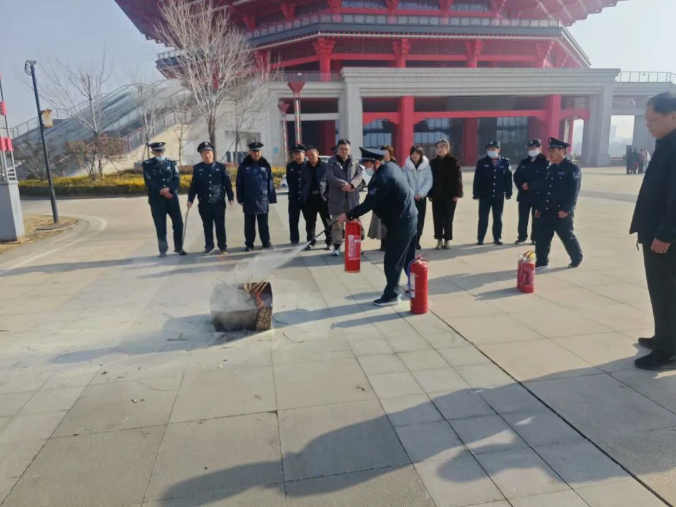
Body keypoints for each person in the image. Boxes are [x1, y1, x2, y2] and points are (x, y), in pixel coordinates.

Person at [337, 148, 417, 306]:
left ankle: (392, 295)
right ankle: (415, 288)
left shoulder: (382, 178)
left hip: (401, 223)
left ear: (377, 163)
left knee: (392, 260)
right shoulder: (391, 166)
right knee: (408, 258)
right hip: (409, 217)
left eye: (367, 163)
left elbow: (369, 202)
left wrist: (349, 215)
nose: (366, 167)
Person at [630, 91, 676, 370]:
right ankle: (664, 337)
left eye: (653, 119)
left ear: (674, 117)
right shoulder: (665, 144)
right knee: (660, 291)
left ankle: (667, 350)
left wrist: (665, 234)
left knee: (666, 293)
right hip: (655, 233)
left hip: (665, 238)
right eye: (646, 120)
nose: (648, 125)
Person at [533, 138, 583, 269]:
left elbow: (574, 192)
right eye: (549, 150)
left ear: (562, 150)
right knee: (542, 237)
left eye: (552, 150)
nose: (550, 153)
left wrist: (567, 209)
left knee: (567, 236)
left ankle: (577, 257)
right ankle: (542, 261)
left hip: (561, 211)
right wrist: (539, 207)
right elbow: (544, 190)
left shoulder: (572, 169)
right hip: (546, 210)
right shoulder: (551, 168)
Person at [187, 142, 235, 255]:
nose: (207, 155)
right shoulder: (197, 168)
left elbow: (227, 184)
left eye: (208, 153)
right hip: (204, 203)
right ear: (201, 155)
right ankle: (209, 247)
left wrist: (230, 197)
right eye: (204, 153)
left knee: (220, 226)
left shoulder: (220, 167)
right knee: (207, 226)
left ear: (212, 154)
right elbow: (194, 186)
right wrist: (190, 200)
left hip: (218, 202)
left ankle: (222, 247)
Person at [142, 141, 186, 257]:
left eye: (162, 151)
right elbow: (148, 181)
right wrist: (161, 191)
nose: (160, 153)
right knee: (160, 226)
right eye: (158, 151)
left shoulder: (171, 163)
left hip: (172, 199)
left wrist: (168, 189)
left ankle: (179, 247)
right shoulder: (147, 164)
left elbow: (176, 179)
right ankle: (163, 250)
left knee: (178, 224)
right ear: (153, 152)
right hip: (157, 200)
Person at [236, 141, 277, 252]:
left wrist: (272, 197)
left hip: (262, 198)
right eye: (254, 151)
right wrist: (240, 198)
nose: (256, 153)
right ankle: (249, 244)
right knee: (249, 224)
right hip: (248, 198)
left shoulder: (265, 165)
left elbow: (270, 182)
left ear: (261, 152)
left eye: (258, 151)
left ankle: (266, 243)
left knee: (264, 224)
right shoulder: (244, 166)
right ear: (250, 152)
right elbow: (239, 183)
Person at [326, 139, 364, 256]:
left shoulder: (355, 161)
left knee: (354, 222)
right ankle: (337, 246)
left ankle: (356, 246)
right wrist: (344, 184)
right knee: (337, 223)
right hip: (337, 198)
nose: (343, 151)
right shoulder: (331, 162)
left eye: (346, 149)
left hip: (352, 198)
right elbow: (330, 177)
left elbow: (359, 175)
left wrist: (351, 185)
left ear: (349, 149)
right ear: (337, 149)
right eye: (341, 149)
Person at [473, 140, 512, 246]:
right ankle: (480, 238)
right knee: (483, 218)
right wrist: (476, 193)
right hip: (485, 195)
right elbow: (477, 179)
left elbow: (508, 178)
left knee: (498, 218)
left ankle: (497, 238)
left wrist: (509, 192)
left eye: (493, 149)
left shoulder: (505, 162)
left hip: (499, 195)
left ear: (498, 149)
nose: (491, 150)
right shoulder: (482, 162)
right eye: (489, 149)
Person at [430, 139, 463, 250]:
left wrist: (457, 193)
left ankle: (447, 240)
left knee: (448, 218)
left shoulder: (453, 161)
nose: (439, 149)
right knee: (437, 218)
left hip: (450, 196)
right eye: (438, 147)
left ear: (447, 149)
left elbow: (458, 179)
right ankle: (439, 240)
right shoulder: (433, 162)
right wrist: (430, 193)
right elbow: (429, 179)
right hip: (437, 195)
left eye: (442, 147)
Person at [513, 139, 549, 245]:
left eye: (533, 148)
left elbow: (544, 178)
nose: (531, 150)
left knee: (537, 218)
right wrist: (521, 185)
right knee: (522, 218)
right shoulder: (524, 161)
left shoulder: (545, 161)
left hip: (538, 196)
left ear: (540, 148)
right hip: (524, 195)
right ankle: (522, 237)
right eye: (529, 148)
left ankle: (535, 238)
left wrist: (530, 185)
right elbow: (516, 176)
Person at [300, 146, 332, 251]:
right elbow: (303, 183)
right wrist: (303, 196)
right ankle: (311, 241)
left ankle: (329, 241)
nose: (310, 157)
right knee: (310, 222)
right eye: (308, 155)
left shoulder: (325, 166)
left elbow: (329, 182)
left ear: (317, 154)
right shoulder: (305, 167)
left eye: (312, 155)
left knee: (327, 221)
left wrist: (328, 196)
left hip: (322, 198)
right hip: (310, 199)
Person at [403, 145, 433, 250]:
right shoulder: (406, 167)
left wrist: (420, 193)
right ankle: (410, 241)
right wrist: (412, 194)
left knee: (420, 220)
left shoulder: (426, 167)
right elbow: (404, 182)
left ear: (421, 155)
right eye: (413, 153)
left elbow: (429, 181)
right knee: (409, 220)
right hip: (410, 199)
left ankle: (417, 241)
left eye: (417, 153)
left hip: (421, 198)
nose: (415, 155)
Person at [367, 145, 396, 251]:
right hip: (379, 198)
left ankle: (390, 242)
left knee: (391, 222)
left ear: (390, 154)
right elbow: (369, 173)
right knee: (380, 222)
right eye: (382, 153)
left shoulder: (394, 165)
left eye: (386, 153)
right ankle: (383, 242)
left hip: (391, 198)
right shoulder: (377, 164)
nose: (385, 155)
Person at [286, 144, 306, 245]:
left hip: (306, 198)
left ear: (304, 154)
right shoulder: (290, 166)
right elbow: (289, 180)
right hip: (293, 198)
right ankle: (294, 239)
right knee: (293, 220)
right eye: (295, 154)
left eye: (299, 154)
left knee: (310, 221)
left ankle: (311, 239)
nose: (297, 156)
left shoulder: (307, 165)